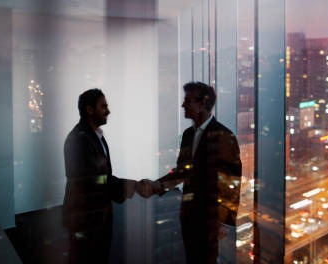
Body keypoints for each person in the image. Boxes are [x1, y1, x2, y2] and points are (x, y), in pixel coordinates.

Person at [140, 82, 242, 264]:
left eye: (187, 101)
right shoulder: (188, 134)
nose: (182, 105)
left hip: (209, 219)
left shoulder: (224, 136)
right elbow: (181, 171)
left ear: (202, 103)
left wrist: (225, 222)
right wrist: (157, 186)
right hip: (189, 215)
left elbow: (232, 181)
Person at [62, 88, 137, 264]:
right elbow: (94, 180)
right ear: (89, 109)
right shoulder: (80, 139)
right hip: (85, 221)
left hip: (95, 219)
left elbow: (102, 177)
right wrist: (133, 186)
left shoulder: (95, 136)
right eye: (103, 107)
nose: (108, 111)